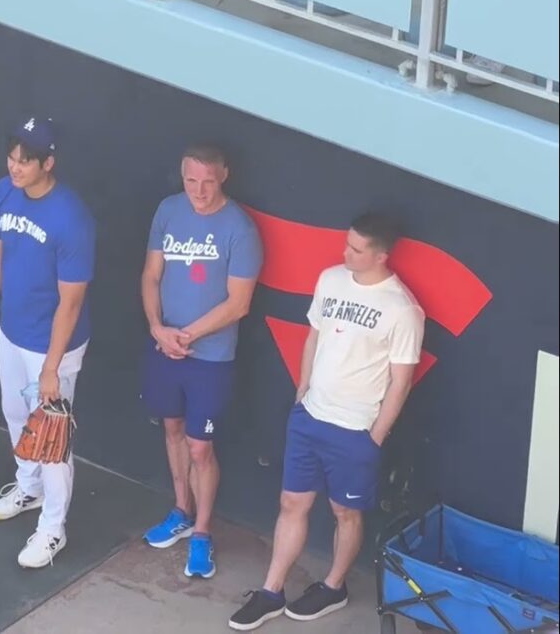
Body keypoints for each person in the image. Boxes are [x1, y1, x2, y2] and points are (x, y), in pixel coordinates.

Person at [229, 213, 425, 631]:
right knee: (291, 504)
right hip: (310, 415)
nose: (345, 253)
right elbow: (314, 334)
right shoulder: (331, 279)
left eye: (356, 249)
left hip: (356, 430)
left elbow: (401, 381)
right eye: (346, 244)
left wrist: (374, 436)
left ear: (381, 255)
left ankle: (334, 586)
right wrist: (302, 391)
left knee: (345, 513)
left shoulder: (402, 308)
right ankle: (271, 591)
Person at [0, 116, 96, 568]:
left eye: (25, 161)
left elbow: (72, 302)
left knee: (52, 439)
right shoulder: (4, 191)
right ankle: (30, 487)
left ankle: (52, 529)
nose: (15, 168)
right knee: (15, 413)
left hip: (52, 347)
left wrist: (50, 368)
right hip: (11, 331)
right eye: (12, 158)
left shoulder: (71, 218)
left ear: (48, 163)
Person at [140, 144, 262, 579]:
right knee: (171, 429)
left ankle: (203, 533)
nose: (200, 190)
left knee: (199, 446)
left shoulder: (240, 228)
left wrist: (186, 335)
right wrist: (157, 327)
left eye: (208, 181)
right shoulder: (169, 210)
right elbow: (151, 274)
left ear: (224, 175)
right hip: (165, 348)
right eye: (192, 180)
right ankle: (180, 511)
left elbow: (239, 303)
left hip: (208, 357)